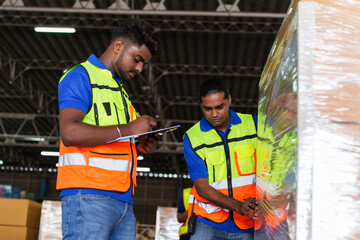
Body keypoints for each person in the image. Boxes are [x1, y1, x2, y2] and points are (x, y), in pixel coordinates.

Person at [56, 19, 162, 240]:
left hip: (123, 202)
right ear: (118, 46)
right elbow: (70, 132)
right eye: (137, 60)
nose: (140, 68)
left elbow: (119, 137)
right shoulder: (81, 76)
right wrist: (130, 128)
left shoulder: (119, 92)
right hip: (87, 196)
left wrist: (138, 144)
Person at [183, 79, 259, 240]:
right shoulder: (192, 137)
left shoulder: (254, 125)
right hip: (208, 221)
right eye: (207, 109)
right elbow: (201, 186)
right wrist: (238, 206)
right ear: (200, 106)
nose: (215, 114)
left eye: (219, 107)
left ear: (229, 100)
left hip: (247, 223)